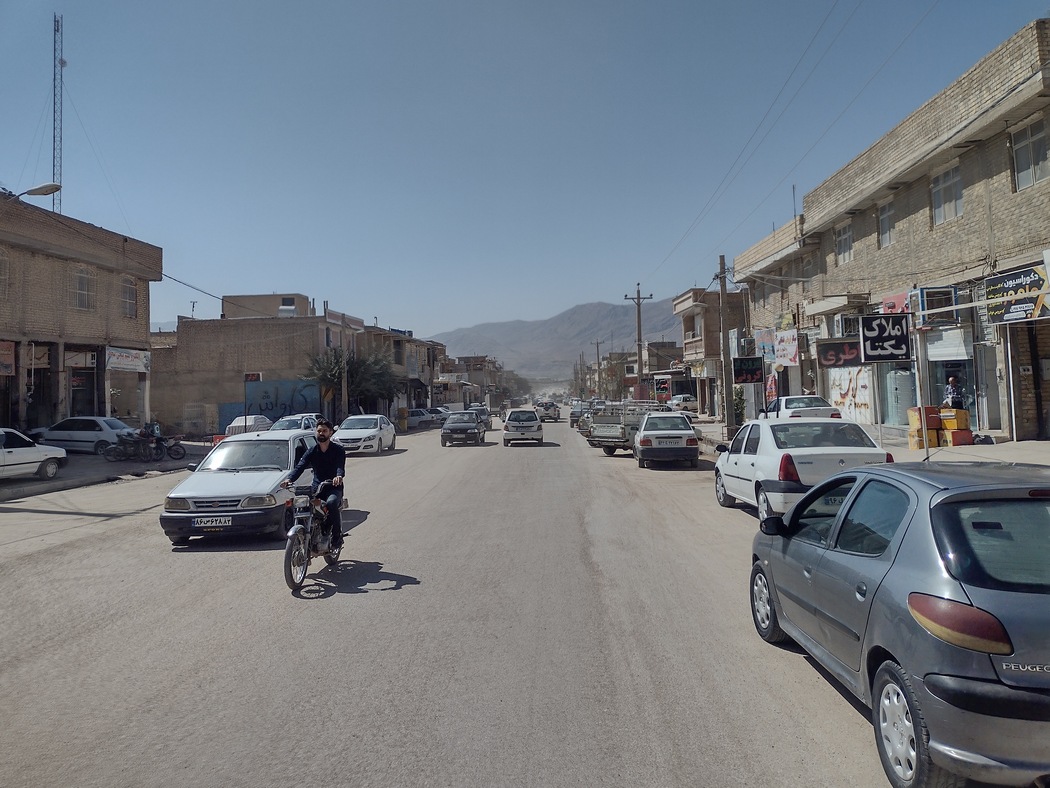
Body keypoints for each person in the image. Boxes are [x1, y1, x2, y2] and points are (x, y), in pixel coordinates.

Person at [280, 418, 346, 550]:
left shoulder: (338, 450)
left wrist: (338, 476)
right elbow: (300, 466)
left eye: (324, 431)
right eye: (319, 431)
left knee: (331, 503)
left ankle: (337, 537)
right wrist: (289, 479)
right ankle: (305, 532)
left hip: (333, 487)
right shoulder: (311, 451)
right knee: (303, 505)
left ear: (330, 433)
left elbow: (340, 466)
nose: (321, 433)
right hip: (317, 488)